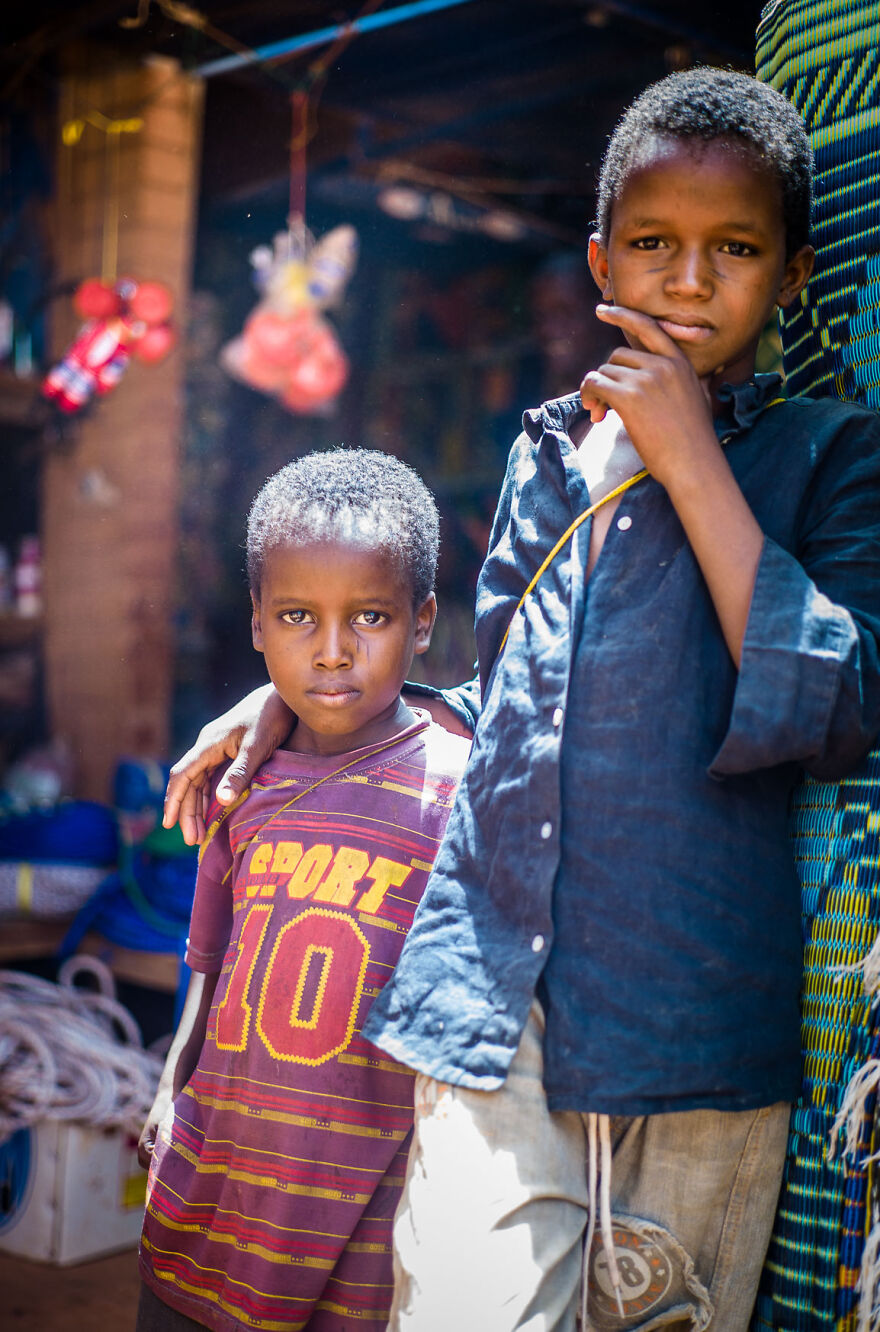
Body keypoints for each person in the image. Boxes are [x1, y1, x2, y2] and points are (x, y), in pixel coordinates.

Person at [162, 68, 880, 1331]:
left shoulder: (826, 455)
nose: (689, 279)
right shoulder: (547, 447)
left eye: (735, 250)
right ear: (604, 257)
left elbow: (830, 701)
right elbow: (523, 692)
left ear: (795, 275)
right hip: (494, 998)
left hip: (694, 1020)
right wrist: (287, 706)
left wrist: (691, 458)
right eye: (654, 245)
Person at [136, 448, 470, 1332]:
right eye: (296, 616)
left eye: (368, 617)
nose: (331, 653)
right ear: (256, 624)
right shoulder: (241, 788)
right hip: (205, 1200)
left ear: (423, 622)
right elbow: (207, 967)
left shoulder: (459, 792)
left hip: (360, 1234)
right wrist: (171, 1089)